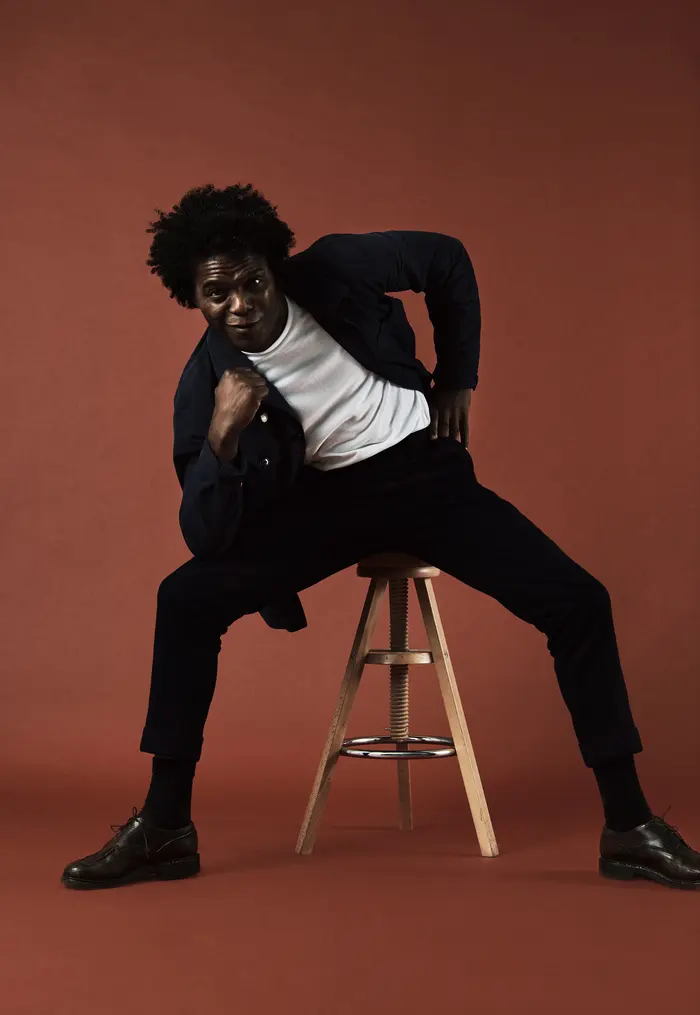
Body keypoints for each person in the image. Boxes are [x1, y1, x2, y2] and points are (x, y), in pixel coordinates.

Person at [62, 183, 699, 892]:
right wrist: (221, 434)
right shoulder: (207, 383)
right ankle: (165, 827)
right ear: (194, 299)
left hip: (422, 476)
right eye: (217, 294)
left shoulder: (337, 268)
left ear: (275, 269)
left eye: (252, 282)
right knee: (184, 600)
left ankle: (629, 827)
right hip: (326, 505)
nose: (241, 305)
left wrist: (458, 379)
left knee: (578, 601)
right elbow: (206, 537)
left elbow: (447, 260)